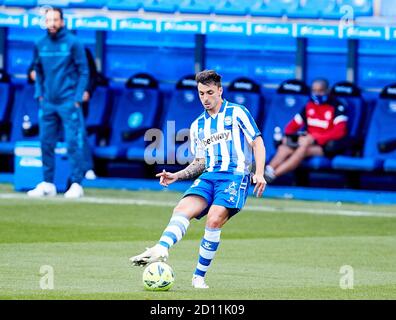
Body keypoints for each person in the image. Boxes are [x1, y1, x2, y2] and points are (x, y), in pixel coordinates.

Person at [130, 70, 267, 289]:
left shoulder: (237, 113)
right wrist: (177, 175)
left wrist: (259, 173)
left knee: (213, 219)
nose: (205, 98)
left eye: (209, 92)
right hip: (209, 176)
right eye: (201, 93)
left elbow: (257, 142)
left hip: (234, 176)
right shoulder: (197, 126)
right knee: (182, 208)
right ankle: (161, 248)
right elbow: (200, 162)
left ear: (220, 91)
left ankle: (198, 277)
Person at [27, 8, 88, 198]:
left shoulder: (73, 43)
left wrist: (77, 98)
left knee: (73, 143)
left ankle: (77, 184)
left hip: (68, 101)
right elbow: (37, 70)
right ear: (44, 22)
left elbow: (84, 71)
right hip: (47, 102)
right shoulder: (40, 44)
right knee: (45, 142)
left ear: (62, 21)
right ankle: (48, 183)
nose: (52, 23)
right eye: (48, 20)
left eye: (55, 20)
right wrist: (39, 94)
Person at [264, 78, 348, 183]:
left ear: (327, 90)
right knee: (284, 147)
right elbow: (291, 127)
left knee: (302, 149)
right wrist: (292, 137)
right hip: (306, 142)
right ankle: (268, 170)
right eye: (314, 90)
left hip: (326, 146)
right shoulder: (309, 105)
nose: (317, 94)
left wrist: (315, 138)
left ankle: (273, 175)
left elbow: (340, 132)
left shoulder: (337, 106)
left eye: (320, 90)